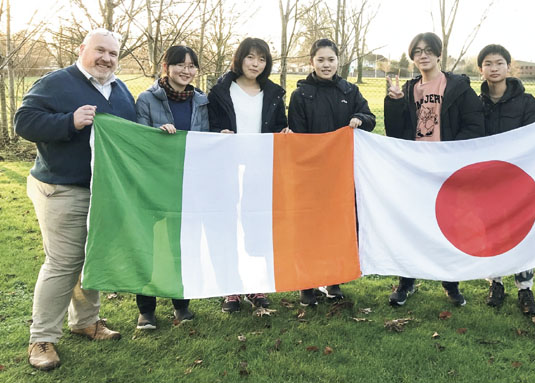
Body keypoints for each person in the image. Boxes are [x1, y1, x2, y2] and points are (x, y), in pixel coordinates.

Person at [14, 28, 136, 371]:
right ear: (82, 49)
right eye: (100, 51)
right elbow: (23, 122)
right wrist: (69, 122)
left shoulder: (119, 88)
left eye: (113, 54)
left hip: (102, 190)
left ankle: (85, 321)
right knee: (63, 261)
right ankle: (42, 338)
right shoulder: (56, 82)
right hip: (61, 187)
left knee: (90, 257)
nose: (106, 59)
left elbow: (132, 130)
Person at [384, 32, 484, 307]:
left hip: (448, 170)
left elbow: (474, 125)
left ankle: (450, 282)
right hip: (416, 170)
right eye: (417, 51)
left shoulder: (458, 87)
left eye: (428, 50)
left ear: (439, 54)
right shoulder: (408, 90)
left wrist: (450, 154)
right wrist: (393, 102)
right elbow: (396, 133)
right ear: (412, 57)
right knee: (412, 225)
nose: (423, 55)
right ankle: (407, 281)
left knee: (448, 225)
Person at [288, 38, 375, 306]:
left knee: (337, 227)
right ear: (312, 62)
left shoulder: (350, 91)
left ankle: (333, 281)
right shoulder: (300, 95)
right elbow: (298, 138)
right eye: (321, 60)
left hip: (341, 174)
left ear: (338, 61)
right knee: (309, 229)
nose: (326, 65)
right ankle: (306, 284)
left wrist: (361, 119)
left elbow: (370, 118)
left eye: (331, 60)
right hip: (311, 176)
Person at [207, 37, 287, 313]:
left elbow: (279, 126)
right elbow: (210, 125)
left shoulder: (275, 93)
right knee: (229, 226)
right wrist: (219, 134)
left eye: (262, 59)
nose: (256, 63)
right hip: (226, 169)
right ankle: (231, 288)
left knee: (256, 227)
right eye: (250, 57)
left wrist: (283, 133)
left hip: (260, 169)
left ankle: (256, 287)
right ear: (240, 58)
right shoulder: (219, 91)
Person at [134, 45, 209, 329]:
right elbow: (139, 139)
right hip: (152, 185)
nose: (186, 71)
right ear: (166, 66)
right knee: (148, 246)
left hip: (188, 185)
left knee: (181, 246)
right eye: (180, 64)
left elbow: (206, 139)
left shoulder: (202, 101)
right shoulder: (147, 99)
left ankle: (182, 305)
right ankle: (146, 310)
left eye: (192, 66)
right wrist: (157, 136)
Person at [476, 44, 535, 316]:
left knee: (521, 233)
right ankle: (496, 283)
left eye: (499, 62)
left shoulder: (527, 103)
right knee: (491, 232)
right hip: (486, 182)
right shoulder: (475, 102)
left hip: (517, 182)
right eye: (488, 63)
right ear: (481, 69)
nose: (494, 68)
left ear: (508, 67)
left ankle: (525, 287)